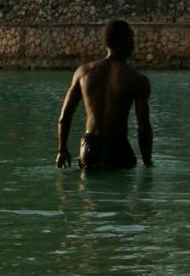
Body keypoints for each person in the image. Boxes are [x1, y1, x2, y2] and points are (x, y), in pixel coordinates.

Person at [56, 19, 152, 171]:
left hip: (89, 148)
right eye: (132, 39)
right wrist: (148, 163)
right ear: (124, 42)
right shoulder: (137, 79)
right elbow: (143, 128)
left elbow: (64, 117)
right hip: (118, 148)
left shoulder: (83, 73)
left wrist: (62, 150)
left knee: (90, 193)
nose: (134, 44)